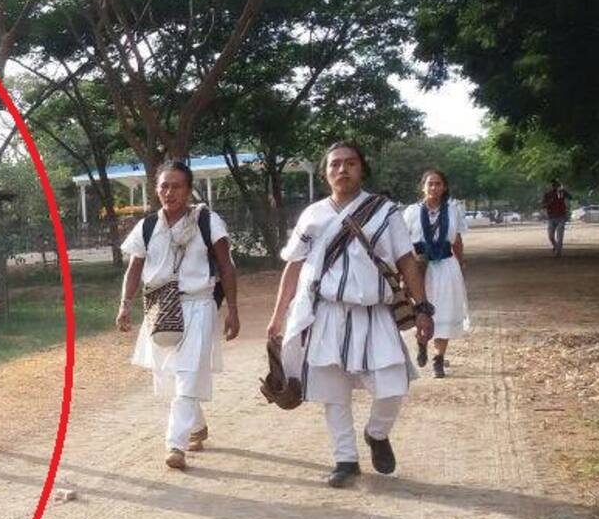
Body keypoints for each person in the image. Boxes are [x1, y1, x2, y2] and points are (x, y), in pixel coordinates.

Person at [266, 141, 434, 488]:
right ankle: (345, 459)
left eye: (350, 163)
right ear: (326, 172)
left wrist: (422, 307)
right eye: (335, 165)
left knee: (392, 385)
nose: (342, 170)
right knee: (332, 390)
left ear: (362, 168)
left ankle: (376, 433)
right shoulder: (312, 215)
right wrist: (278, 314)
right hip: (326, 313)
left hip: (374, 313)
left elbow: (405, 260)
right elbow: (294, 266)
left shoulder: (386, 212)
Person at [115, 160, 239, 471]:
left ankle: (175, 444)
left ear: (188, 189)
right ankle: (196, 427)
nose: (169, 192)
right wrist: (124, 304)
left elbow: (226, 266)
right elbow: (135, 268)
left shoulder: (207, 221)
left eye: (177, 186)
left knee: (186, 373)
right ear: (156, 189)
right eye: (164, 186)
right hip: (159, 307)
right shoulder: (147, 226)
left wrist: (233, 310)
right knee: (170, 374)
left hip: (198, 305)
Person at [403, 169, 470, 378]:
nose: (434, 188)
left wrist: (460, 265)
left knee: (445, 311)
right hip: (421, 268)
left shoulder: (452, 210)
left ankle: (438, 359)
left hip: (446, 266)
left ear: (444, 187)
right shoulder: (411, 212)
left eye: (438, 184)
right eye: (430, 184)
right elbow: (403, 244)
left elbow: (457, 240)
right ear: (423, 187)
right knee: (422, 309)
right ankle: (422, 342)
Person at [542, 179, 572, 257]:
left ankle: (559, 252)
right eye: (553, 185)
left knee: (560, 235)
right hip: (551, 217)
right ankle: (556, 246)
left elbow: (570, 197)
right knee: (551, 236)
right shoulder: (548, 194)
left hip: (561, 217)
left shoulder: (562, 193)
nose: (554, 187)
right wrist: (549, 203)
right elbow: (543, 205)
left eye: (556, 185)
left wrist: (564, 191)